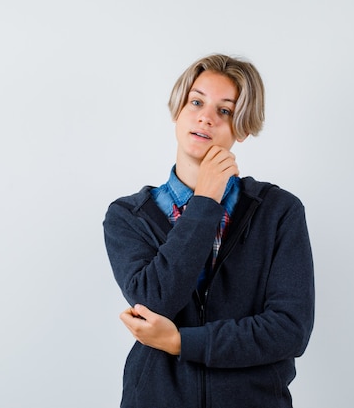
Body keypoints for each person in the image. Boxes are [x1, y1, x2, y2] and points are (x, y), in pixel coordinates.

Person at [103, 53, 315, 408]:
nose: (206, 116)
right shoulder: (129, 216)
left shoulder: (279, 211)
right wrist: (205, 203)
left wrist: (180, 342)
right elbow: (156, 301)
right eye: (197, 101)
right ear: (178, 110)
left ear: (242, 128)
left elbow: (289, 331)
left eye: (225, 110)